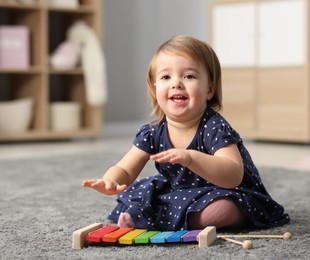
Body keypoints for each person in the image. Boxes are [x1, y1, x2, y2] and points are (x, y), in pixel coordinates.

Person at [82, 35, 289, 231]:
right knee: (141, 191)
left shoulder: (214, 127)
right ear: (155, 89)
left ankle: (157, 218)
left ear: (209, 89)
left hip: (225, 191)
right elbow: (125, 170)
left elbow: (233, 174)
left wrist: (190, 158)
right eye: (166, 76)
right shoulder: (152, 132)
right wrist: (111, 180)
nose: (176, 83)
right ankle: (159, 215)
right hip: (180, 192)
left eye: (189, 76)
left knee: (223, 209)